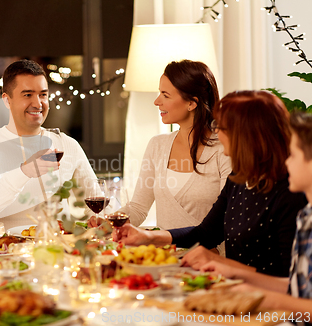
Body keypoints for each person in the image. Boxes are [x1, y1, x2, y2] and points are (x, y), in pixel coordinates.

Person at [116, 90, 307, 277]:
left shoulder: (290, 194)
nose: (215, 131)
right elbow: (206, 232)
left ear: (246, 135)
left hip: (266, 304)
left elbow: (289, 280)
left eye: (221, 127)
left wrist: (222, 264)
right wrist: (148, 237)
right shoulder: (240, 178)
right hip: (234, 291)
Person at [90, 60, 231, 239]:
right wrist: (109, 223)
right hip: (164, 257)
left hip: (209, 258)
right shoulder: (158, 145)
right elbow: (138, 208)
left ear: (192, 103)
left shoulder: (223, 149)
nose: (157, 101)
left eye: (165, 95)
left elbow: (228, 217)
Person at [200, 111, 312, 317]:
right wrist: (236, 273)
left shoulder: (292, 203)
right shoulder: (306, 215)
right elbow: (295, 287)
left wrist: (261, 295)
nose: (286, 162)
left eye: (293, 155)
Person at [0, 59, 97, 229]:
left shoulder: (66, 144)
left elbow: (97, 202)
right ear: (7, 100)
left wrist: (92, 228)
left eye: (43, 94)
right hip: (6, 252)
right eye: (27, 95)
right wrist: (24, 171)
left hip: (59, 249)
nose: (38, 104)